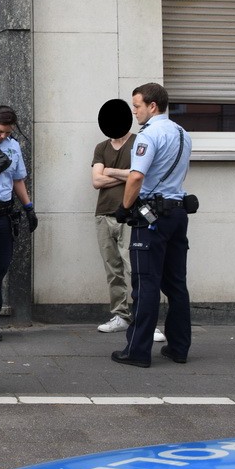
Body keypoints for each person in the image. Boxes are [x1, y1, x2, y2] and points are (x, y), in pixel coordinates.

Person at [111, 82, 192, 368]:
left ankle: (137, 351)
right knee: (176, 285)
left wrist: (124, 208)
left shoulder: (149, 135)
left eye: (137, 106)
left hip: (152, 217)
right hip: (178, 214)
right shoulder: (183, 133)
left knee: (146, 283)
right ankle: (179, 348)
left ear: (152, 106)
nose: (134, 112)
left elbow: (136, 177)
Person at [92, 99, 168, 344]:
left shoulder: (139, 141)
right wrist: (126, 174)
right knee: (112, 270)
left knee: (136, 269)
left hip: (133, 215)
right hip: (104, 214)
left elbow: (141, 176)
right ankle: (120, 316)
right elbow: (96, 181)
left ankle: (145, 321)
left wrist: (110, 172)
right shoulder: (101, 147)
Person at [0, 105, 37, 342]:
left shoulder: (13, 146)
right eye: (0, 131)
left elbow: (17, 179)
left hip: (3, 214)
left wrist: (29, 208)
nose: (4, 136)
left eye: (8, 132)